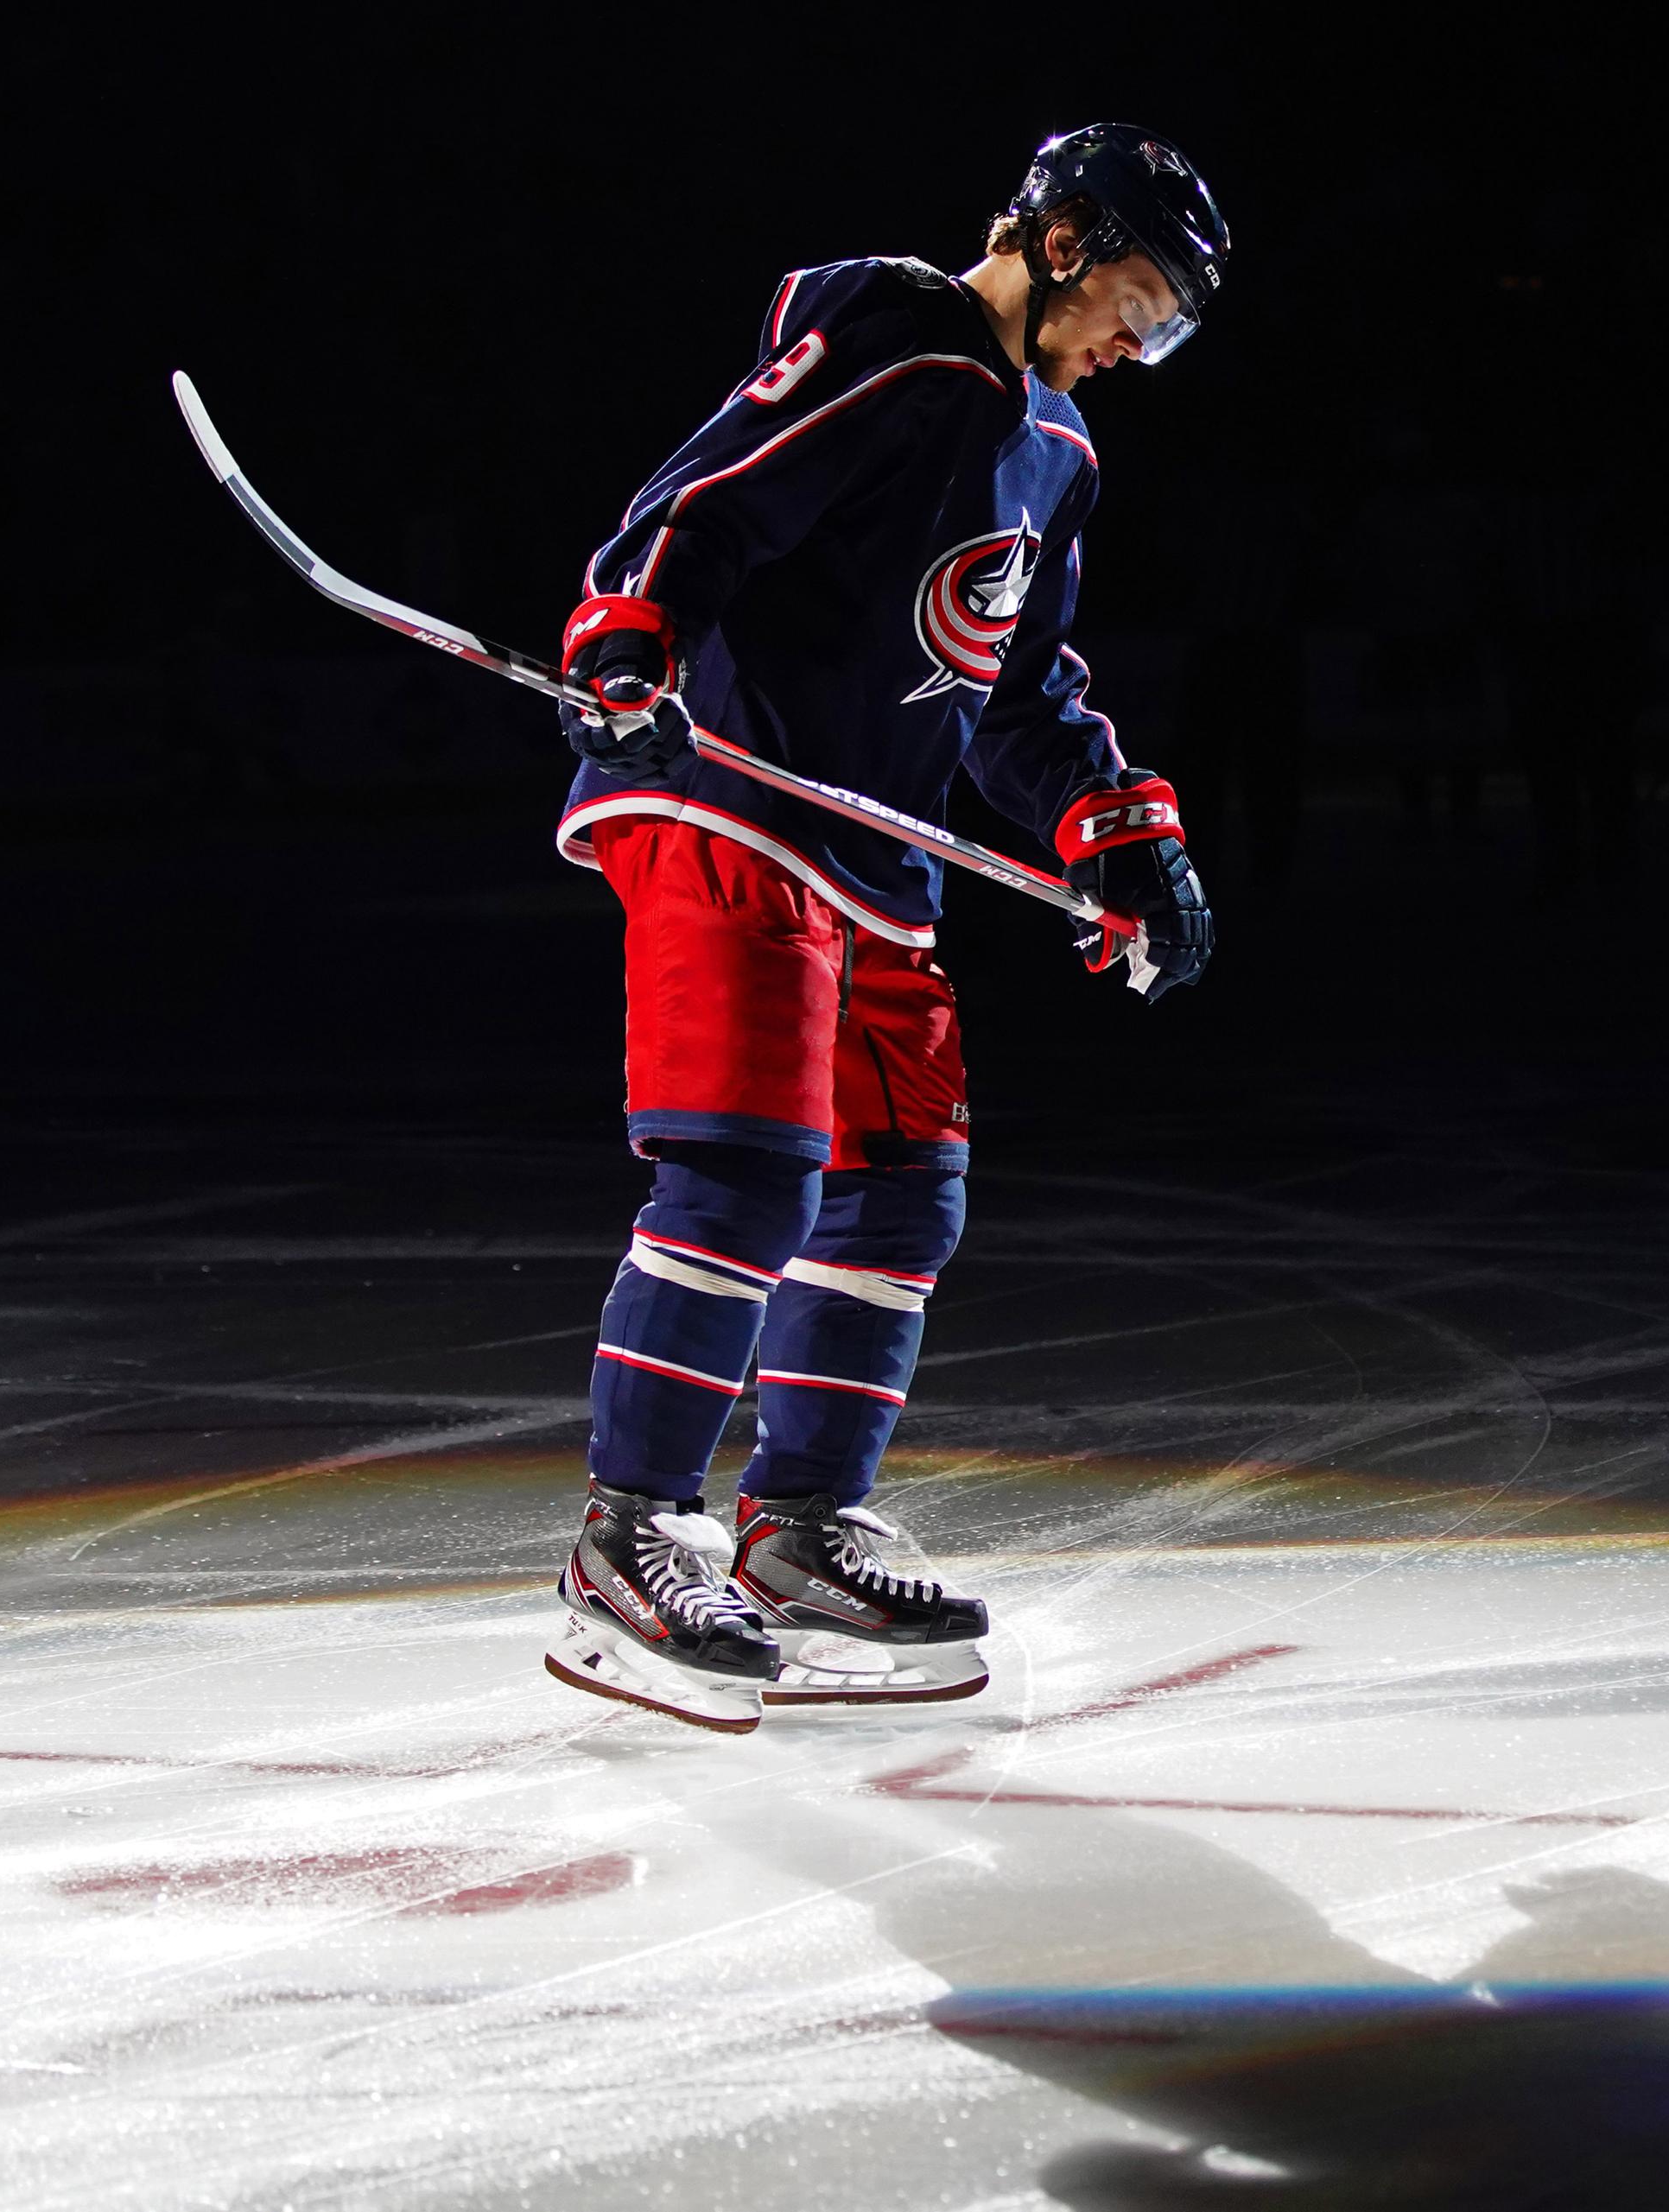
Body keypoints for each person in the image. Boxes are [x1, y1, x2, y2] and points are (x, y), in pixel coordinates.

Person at [538, 126, 1228, 1733]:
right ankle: (627, 1535)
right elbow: (704, 495)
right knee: (747, 1165)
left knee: (903, 1187)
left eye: (1174, 324)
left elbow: (1009, 686)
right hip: (731, 796)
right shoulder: (902, 336)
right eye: (1145, 295)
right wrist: (631, 640)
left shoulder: (1055, 446)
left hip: (870, 855)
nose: (1147, 341)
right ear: (1066, 241)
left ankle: (795, 1530)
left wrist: (1115, 828)